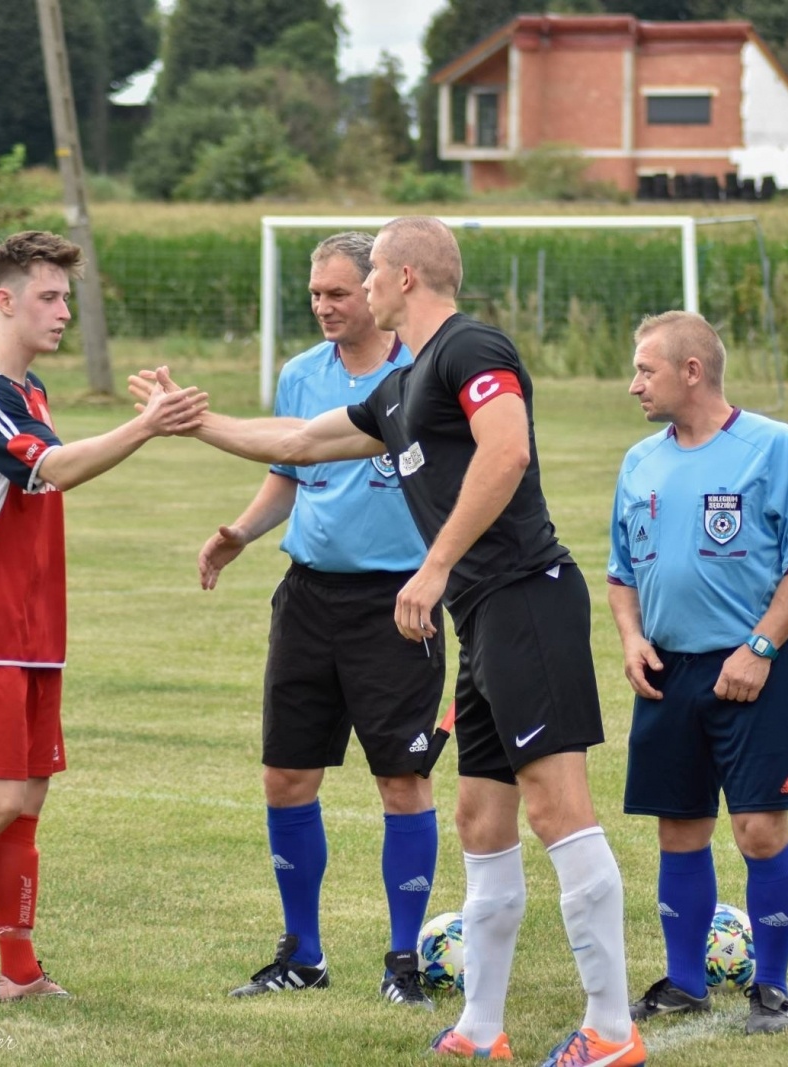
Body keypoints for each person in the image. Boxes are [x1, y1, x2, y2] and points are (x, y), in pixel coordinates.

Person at [130, 217, 643, 1067]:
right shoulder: (402, 388)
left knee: (558, 809)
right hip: (483, 616)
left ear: (405, 276)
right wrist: (191, 421)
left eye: (367, 276)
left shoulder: (471, 347)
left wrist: (434, 566)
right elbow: (299, 442)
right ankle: (481, 1027)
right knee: (480, 818)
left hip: (527, 598)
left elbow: (507, 452)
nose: (358, 290)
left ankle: (612, 1030)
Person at [0, 231, 207, 1002]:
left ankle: (18, 971)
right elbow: (54, 468)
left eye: (65, 297)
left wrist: (145, 424)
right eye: (49, 297)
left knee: (25, 804)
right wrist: (147, 424)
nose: (63, 311)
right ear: (5, 300)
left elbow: (54, 471)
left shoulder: (31, 391)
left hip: (35, 631)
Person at [201, 233, 444, 1008]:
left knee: (402, 780)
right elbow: (290, 468)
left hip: (398, 605)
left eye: (338, 292)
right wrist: (241, 533)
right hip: (307, 598)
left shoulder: (423, 373)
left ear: (376, 289)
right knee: (286, 776)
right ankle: (302, 953)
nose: (324, 306)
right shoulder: (301, 374)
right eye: (315, 294)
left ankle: (404, 961)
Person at [606, 312, 788, 1037]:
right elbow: (620, 571)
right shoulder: (639, 461)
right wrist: (632, 638)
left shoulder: (774, 446)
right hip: (666, 671)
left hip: (750, 667)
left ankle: (773, 988)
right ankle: (684, 982)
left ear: (692, 371)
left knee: (759, 829)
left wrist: (760, 648)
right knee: (679, 828)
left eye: (646, 370)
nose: (634, 384)